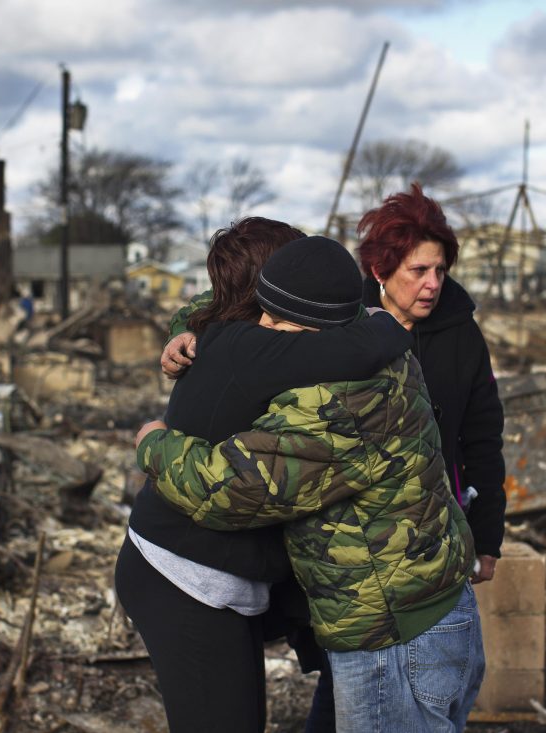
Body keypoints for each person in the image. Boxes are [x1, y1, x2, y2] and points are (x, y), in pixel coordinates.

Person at [161, 185, 506, 730]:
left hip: (392, 636)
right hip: (414, 608)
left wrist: (153, 441)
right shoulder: (366, 332)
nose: (266, 334)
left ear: (317, 327)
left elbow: (225, 489)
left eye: (277, 323)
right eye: (418, 270)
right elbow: (239, 308)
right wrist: (189, 327)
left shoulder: (342, 400)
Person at [115, 219, 412, 733]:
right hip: (185, 577)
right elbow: (357, 344)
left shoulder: (223, 331)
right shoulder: (249, 346)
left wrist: (181, 329)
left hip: (214, 572)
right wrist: (389, 323)